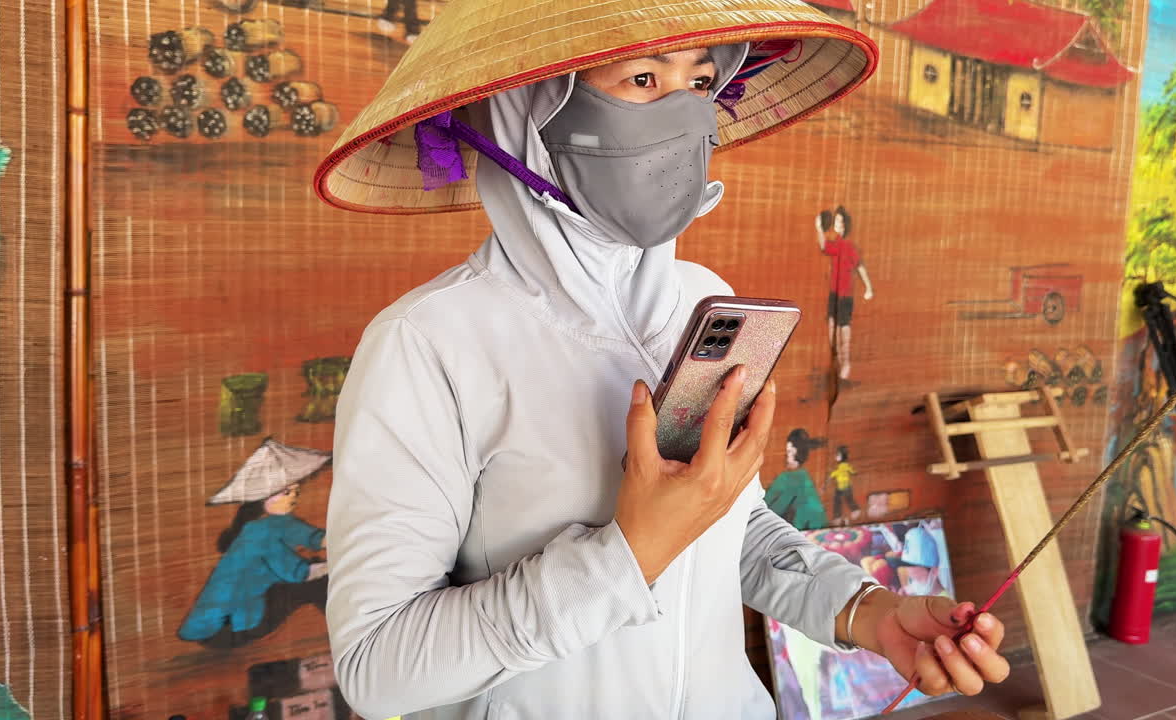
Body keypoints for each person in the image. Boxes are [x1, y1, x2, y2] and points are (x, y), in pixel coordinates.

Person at [316, 2, 1009, 717]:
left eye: (702, 82)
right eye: (643, 78)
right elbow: (379, 668)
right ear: (529, 112)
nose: (683, 115)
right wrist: (627, 554)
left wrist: (865, 611)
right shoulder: (428, 343)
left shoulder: (702, 299)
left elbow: (726, 527)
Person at [178, 438, 331, 648]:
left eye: (295, 490)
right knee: (321, 581)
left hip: (240, 619)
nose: (294, 496)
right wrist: (337, 566)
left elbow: (314, 538)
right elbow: (299, 573)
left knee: (321, 571)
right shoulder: (258, 533)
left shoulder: (279, 521)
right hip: (229, 628)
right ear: (264, 499)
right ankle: (347, 633)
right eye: (286, 492)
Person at [816, 205, 874, 381]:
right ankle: (838, 361)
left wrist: (869, 288)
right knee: (832, 325)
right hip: (834, 292)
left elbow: (861, 267)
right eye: (836, 220)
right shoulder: (837, 244)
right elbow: (824, 246)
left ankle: (846, 363)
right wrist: (818, 228)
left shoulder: (849, 247)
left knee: (843, 328)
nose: (837, 223)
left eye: (840, 221)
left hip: (845, 294)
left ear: (845, 224)